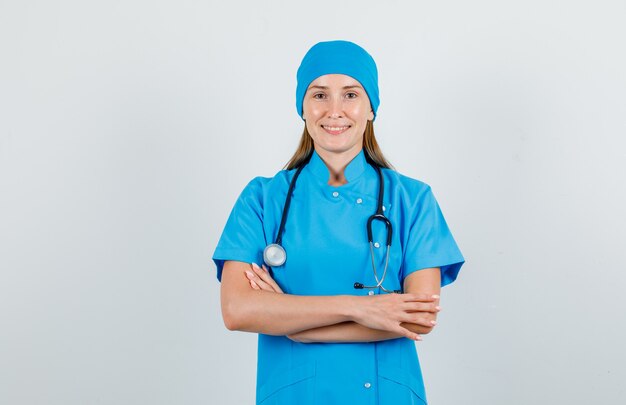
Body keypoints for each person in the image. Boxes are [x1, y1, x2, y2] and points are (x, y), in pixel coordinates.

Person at [212, 40, 465, 405]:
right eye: (319, 95)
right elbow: (237, 310)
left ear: (371, 108)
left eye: (350, 94)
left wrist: (301, 327)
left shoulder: (412, 199)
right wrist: (360, 306)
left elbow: (417, 317)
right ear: (302, 107)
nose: (334, 110)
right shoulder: (262, 198)